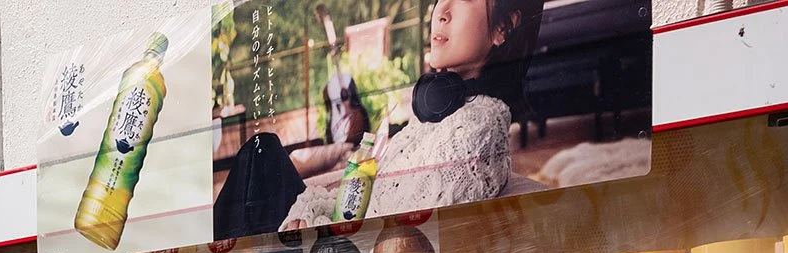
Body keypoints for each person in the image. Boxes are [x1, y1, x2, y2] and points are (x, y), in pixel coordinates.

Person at [220, 0, 546, 235]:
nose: (441, 12)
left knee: (260, 155)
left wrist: (314, 229)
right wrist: (307, 214)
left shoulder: (477, 129)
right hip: (327, 241)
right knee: (262, 154)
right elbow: (358, 199)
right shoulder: (437, 118)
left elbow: (397, 232)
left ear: (502, 28)